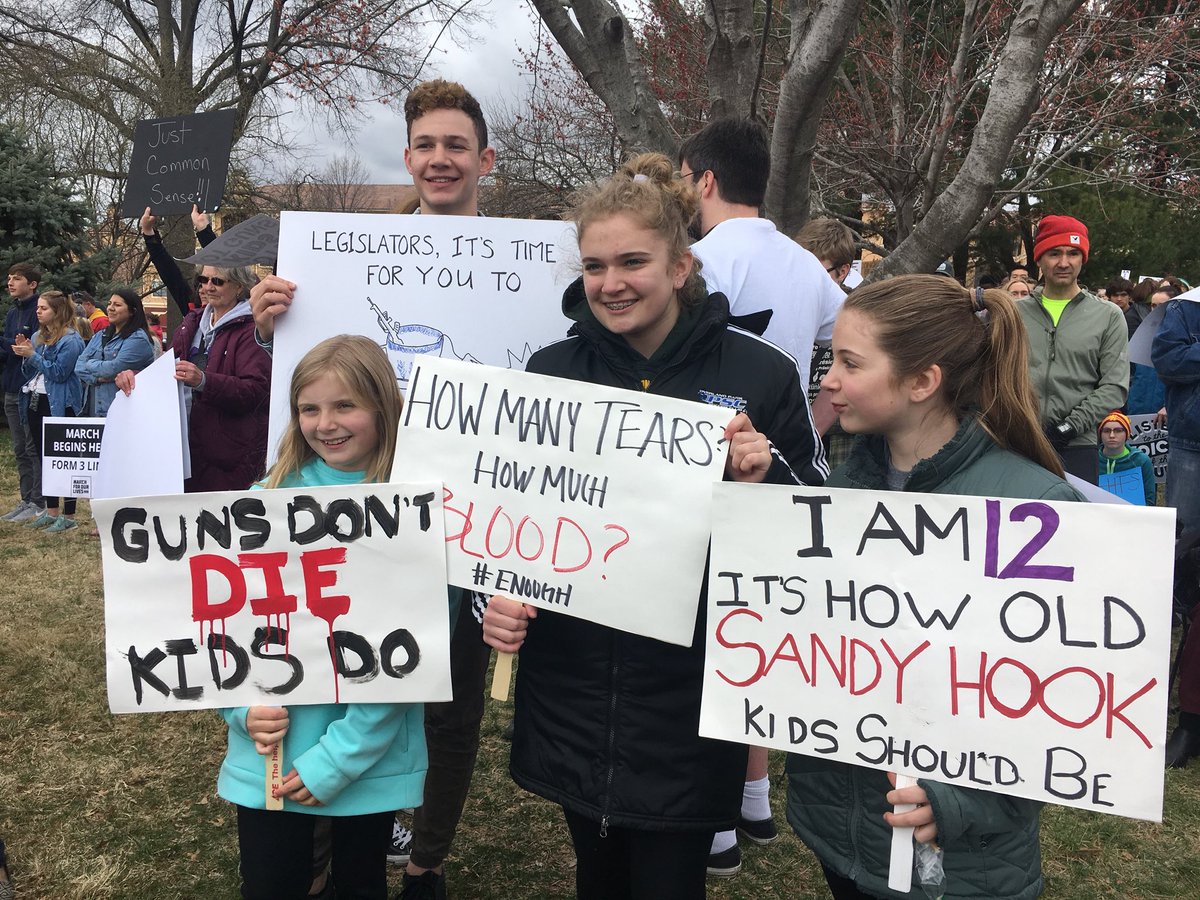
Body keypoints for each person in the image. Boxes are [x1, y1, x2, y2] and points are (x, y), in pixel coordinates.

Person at [481, 152, 822, 900]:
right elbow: (508, 521)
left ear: (680, 266)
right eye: (595, 265)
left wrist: (765, 479)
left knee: (670, 882)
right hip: (571, 689)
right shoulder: (550, 372)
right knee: (597, 877)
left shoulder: (760, 372)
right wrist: (495, 601)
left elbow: (819, 519)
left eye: (633, 260)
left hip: (691, 696)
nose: (611, 283)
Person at [251, 79, 497, 899]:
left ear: (483, 160)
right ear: (408, 156)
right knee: (328, 674)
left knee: (450, 707)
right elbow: (302, 389)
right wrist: (267, 322)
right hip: (342, 525)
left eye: (455, 144)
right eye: (425, 145)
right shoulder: (342, 260)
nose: (439, 159)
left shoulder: (531, 266)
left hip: (467, 534)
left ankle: (424, 857)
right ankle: (318, 849)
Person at [790, 274, 1082, 900]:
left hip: (963, 863)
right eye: (828, 360)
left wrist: (958, 799)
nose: (828, 380)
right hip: (846, 836)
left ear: (922, 382)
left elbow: (1054, 710)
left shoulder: (1031, 507)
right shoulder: (843, 493)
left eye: (849, 362)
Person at [220, 334, 438, 900]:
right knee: (269, 886)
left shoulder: (417, 510)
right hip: (269, 750)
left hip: (368, 757)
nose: (326, 423)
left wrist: (342, 757)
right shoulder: (260, 500)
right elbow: (218, 633)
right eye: (309, 408)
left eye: (345, 405)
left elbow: (415, 655)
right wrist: (242, 710)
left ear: (383, 407)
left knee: (359, 886)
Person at [680, 117, 842, 453]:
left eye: (684, 179)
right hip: (789, 458)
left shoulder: (695, 263)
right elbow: (861, 346)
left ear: (706, 181)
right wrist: (813, 424)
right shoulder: (808, 265)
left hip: (710, 456)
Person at [131, 207, 271, 493]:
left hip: (230, 458)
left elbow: (255, 392)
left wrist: (204, 381)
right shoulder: (191, 322)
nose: (207, 287)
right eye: (203, 280)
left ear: (240, 286)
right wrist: (135, 380)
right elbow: (172, 277)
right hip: (186, 451)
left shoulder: (254, 328)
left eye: (217, 281)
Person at [1016, 214, 1128, 483]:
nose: (1064, 262)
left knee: (1072, 524)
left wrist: (1068, 427)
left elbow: (1115, 386)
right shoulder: (1013, 313)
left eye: (1073, 253)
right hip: (1017, 441)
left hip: (1077, 445)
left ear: (1083, 258)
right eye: (1054, 253)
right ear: (1040, 259)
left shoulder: (1108, 315)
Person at [11, 291, 86, 532]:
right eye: (39, 308)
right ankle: (51, 511)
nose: (38, 311)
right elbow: (30, 372)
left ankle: (70, 515)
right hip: (35, 400)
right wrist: (26, 352)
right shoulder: (37, 336)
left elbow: (59, 373)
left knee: (65, 460)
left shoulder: (71, 340)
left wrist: (31, 356)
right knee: (45, 458)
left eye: (44, 308)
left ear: (58, 311)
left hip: (60, 404)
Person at [2, 262, 45, 522]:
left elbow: (30, 349)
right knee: (19, 448)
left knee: (32, 447)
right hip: (10, 386)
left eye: (16, 279)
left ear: (32, 284)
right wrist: (9, 346)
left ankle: (38, 502)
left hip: (29, 390)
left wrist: (8, 345)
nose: (10, 283)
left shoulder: (39, 311)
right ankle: (25, 498)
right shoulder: (11, 313)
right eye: (9, 278)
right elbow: (11, 349)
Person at [74, 289, 156, 417]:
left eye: (117, 305)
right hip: (94, 411)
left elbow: (113, 368)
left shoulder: (138, 339)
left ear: (132, 311)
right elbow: (78, 366)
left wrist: (90, 364)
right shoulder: (101, 335)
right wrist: (97, 378)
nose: (110, 308)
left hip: (122, 413)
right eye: (109, 303)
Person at [1097, 410, 1155, 505]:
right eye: (1106, 431)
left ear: (1127, 434)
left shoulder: (1141, 460)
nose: (1112, 435)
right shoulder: (1092, 459)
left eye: (1118, 431)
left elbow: (1149, 499)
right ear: (1100, 434)